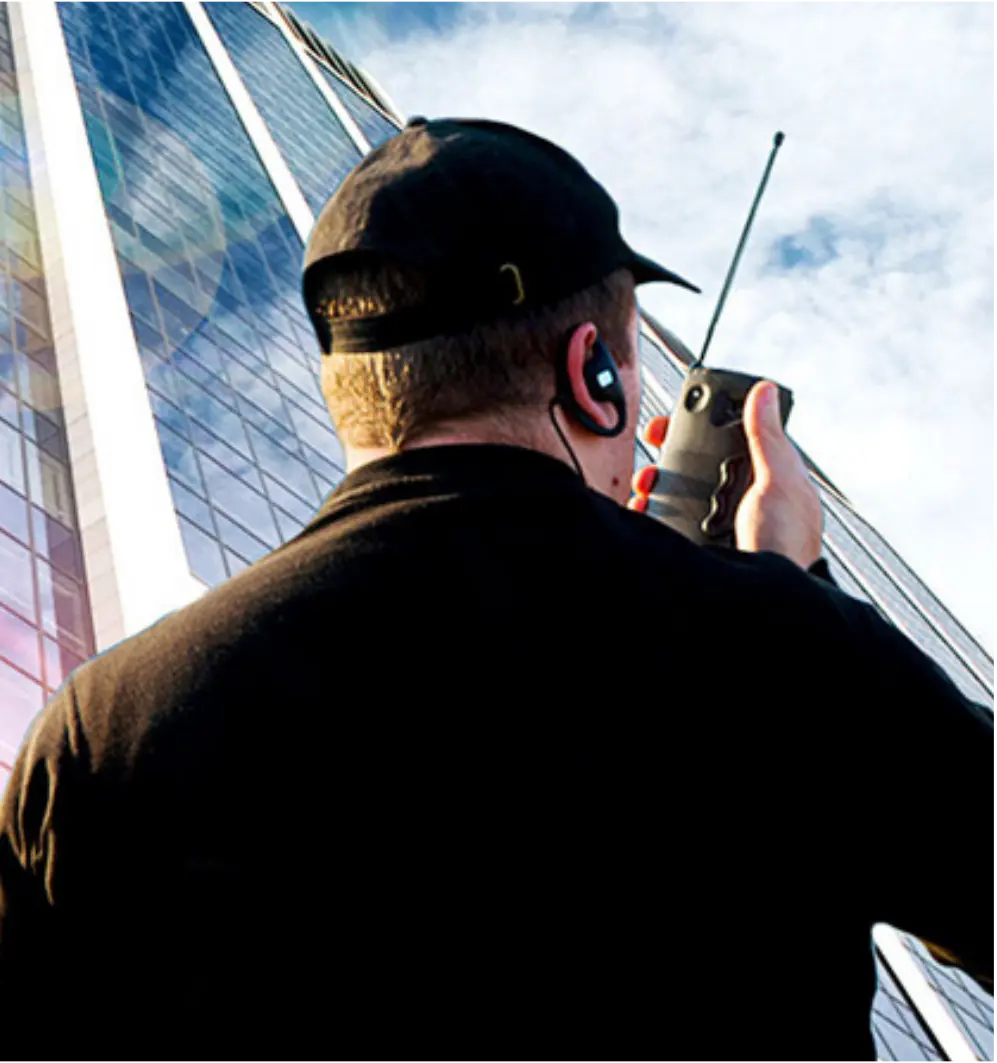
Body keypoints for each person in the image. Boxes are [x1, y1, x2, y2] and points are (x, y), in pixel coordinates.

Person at [0, 117, 990, 1057]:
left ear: (350, 387)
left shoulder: (102, 729)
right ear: (591, 370)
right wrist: (790, 589)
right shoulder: (792, 657)